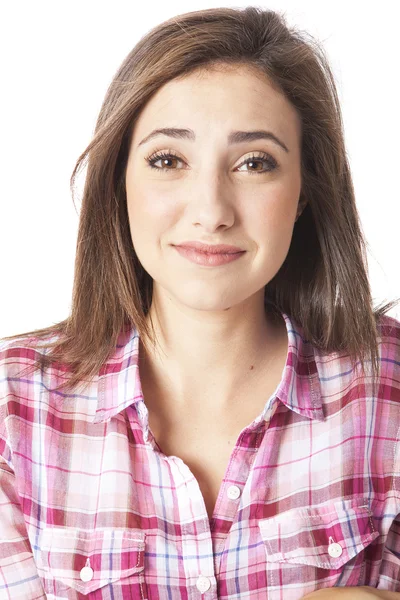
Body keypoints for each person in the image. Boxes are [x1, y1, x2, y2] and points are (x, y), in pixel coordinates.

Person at [1, 5, 399, 600]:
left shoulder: (387, 388)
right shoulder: (15, 410)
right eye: (168, 160)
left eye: (254, 163)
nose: (211, 209)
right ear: (119, 183)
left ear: (303, 194)